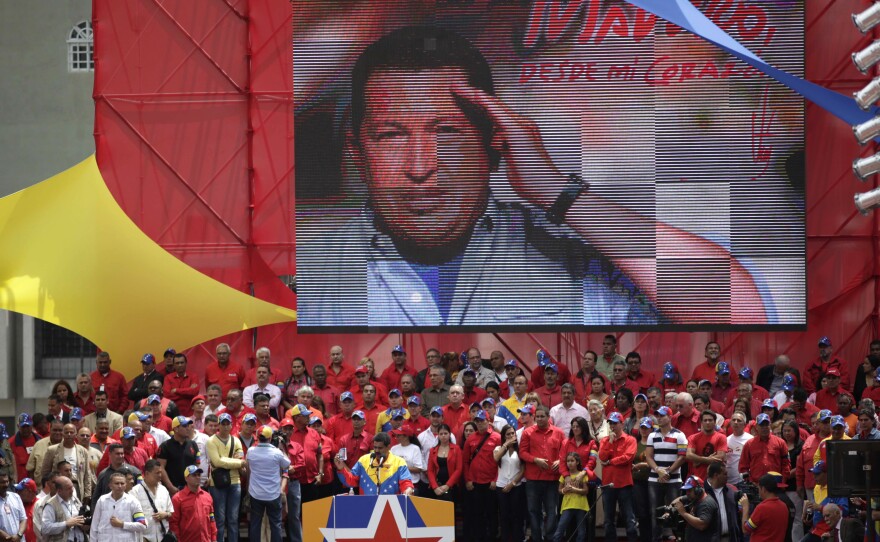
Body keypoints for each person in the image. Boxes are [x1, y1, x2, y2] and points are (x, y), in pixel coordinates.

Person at [298, 24, 777, 328]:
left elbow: (738, 310)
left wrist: (557, 193)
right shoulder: (299, 274)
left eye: (448, 132)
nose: (422, 166)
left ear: (495, 145)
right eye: (391, 136)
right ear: (357, 156)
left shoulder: (574, 259)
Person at [646, 405, 688, 542]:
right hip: (654, 479)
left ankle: (677, 538)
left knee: (675, 511)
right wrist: (658, 470)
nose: (659, 418)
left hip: (674, 479)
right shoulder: (652, 435)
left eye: (662, 415)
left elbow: (682, 457)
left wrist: (667, 471)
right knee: (655, 512)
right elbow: (649, 457)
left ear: (670, 417)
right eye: (657, 415)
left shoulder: (679, 435)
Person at [598, 412, 638, 542]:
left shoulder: (630, 440)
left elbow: (628, 458)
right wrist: (610, 442)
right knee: (608, 519)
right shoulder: (604, 440)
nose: (612, 425)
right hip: (608, 484)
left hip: (624, 484)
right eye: (610, 423)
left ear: (622, 424)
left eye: (615, 423)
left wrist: (610, 462)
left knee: (629, 518)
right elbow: (602, 457)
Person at [333, 433, 415, 495]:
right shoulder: (364, 460)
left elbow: (406, 482)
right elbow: (351, 482)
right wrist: (341, 469)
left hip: (391, 507)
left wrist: (408, 489)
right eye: (375, 447)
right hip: (366, 506)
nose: (376, 451)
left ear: (388, 447)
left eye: (380, 448)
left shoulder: (399, 462)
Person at [207, 412, 245, 542]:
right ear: (219, 425)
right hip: (217, 483)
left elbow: (237, 456)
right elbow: (217, 462)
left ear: (231, 425)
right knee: (220, 518)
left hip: (235, 482)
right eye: (222, 423)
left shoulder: (236, 440)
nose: (225, 426)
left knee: (233, 519)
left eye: (227, 423)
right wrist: (239, 463)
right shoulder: (211, 441)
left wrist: (226, 460)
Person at [246, 426, 289, 542]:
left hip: (256, 494)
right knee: (275, 525)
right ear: (270, 438)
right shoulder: (277, 453)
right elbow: (287, 464)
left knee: (255, 524)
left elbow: (248, 464)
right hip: (273, 495)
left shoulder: (251, 451)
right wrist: (281, 448)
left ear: (258, 437)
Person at [89, 472, 146, 542]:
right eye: (117, 483)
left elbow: (142, 525)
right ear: (110, 485)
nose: (119, 486)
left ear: (125, 485)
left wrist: (122, 524)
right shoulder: (102, 500)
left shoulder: (133, 501)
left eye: (122, 483)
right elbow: (94, 526)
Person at [492, 424, 525, 542]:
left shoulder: (520, 449)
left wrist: (512, 484)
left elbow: (522, 470)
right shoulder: (498, 448)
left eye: (513, 433)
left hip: (516, 486)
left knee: (517, 515)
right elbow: (496, 458)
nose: (511, 436)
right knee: (504, 516)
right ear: (504, 436)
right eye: (508, 434)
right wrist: (506, 445)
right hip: (501, 486)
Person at [169, 465, 218, 542]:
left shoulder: (207, 496)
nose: (197, 477)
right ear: (186, 478)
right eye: (194, 475)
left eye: (199, 475)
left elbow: (212, 519)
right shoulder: (177, 498)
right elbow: (174, 523)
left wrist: (214, 538)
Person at [128, 460, 173, 542]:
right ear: (147, 473)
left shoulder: (163, 490)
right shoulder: (134, 492)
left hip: (163, 537)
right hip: (143, 538)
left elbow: (171, 513)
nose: (160, 475)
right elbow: (129, 517)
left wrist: (165, 514)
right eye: (157, 473)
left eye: (160, 472)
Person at [739, 413, 790, 481]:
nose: (764, 427)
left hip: (775, 485)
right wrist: (750, 481)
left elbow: (786, 464)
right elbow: (743, 467)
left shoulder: (780, 443)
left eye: (766, 425)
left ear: (770, 425)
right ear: (756, 426)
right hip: (755, 485)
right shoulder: (749, 444)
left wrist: (783, 480)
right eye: (761, 425)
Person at [552, 452, 590, 542]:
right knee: (560, 529)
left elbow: (586, 491)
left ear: (577, 462)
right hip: (567, 506)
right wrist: (564, 490)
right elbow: (559, 490)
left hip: (581, 506)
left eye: (572, 461)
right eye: (568, 461)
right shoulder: (564, 476)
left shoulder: (582, 475)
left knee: (582, 532)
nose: (569, 463)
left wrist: (574, 490)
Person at [671, 475, 719, 542]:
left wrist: (683, 513)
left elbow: (701, 525)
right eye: (686, 491)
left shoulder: (706, 503)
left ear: (698, 490)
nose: (687, 493)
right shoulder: (695, 498)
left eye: (689, 490)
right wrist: (669, 510)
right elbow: (679, 499)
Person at [40, 475, 86, 542]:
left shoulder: (75, 500)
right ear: (59, 491)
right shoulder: (51, 504)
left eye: (72, 487)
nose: (72, 490)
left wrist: (84, 525)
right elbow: (45, 528)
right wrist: (66, 524)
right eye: (68, 488)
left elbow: (81, 519)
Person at [705, 462, 743, 542]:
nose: (727, 476)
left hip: (731, 538)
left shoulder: (732, 491)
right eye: (725, 474)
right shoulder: (703, 493)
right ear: (716, 475)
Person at [686, 410, 728, 480]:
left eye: (710, 420)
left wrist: (698, 461)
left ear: (715, 422)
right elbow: (688, 455)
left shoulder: (721, 437)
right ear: (701, 422)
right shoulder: (693, 438)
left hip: (715, 479)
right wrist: (707, 459)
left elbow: (720, 457)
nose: (707, 422)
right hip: (697, 478)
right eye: (705, 420)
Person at [163, 353, 200, 417]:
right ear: (174, 365)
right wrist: (188, 392)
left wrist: (176, 390)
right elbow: (167, 395)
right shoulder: (168, 378)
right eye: (177, 363)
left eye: (182, 362)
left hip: (190, 414)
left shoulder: (193, 376)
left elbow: (194, 392)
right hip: (173, 414)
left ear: (186, 363)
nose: (180, 365)